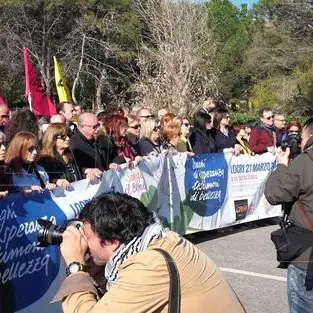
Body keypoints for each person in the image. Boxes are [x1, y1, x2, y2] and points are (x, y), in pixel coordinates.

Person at [54, 192, 246, 313]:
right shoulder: (162, 240)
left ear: (112, 242)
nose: (83, 242)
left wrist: (75, 265)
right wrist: (94, 268)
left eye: (86, 236)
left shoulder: (150, 266)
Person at [264, 117, 313, 313]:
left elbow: (275, 194)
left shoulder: (305, 162)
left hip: (306, 255)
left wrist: (282, 165)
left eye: (300, 138)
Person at [39, 123, 82, 188]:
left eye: (68, 135)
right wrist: (55, 181)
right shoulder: (45, 160)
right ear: (52, 139)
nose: (67, 138)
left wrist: (86, 171)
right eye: (63, 137)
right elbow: (43, 181)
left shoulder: (72, 155)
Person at [70, 113, 105, 182]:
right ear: (81, 127)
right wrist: (86, 172)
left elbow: (109, 158)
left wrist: (113, 163)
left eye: (98, 125)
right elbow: (76, 169)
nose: (97, 129)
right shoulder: (73, 144)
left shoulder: (99, 139)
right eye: (94, 127)